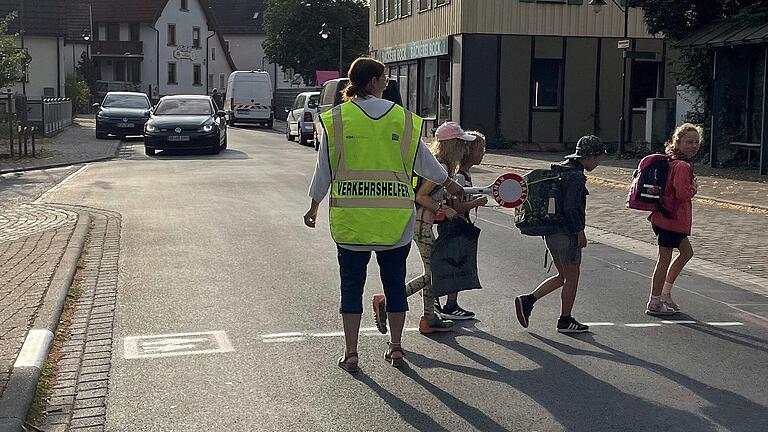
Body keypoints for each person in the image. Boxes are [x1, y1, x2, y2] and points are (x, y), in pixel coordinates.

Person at [304, 57, 464, 371]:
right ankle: (396, 348)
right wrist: (450, 183)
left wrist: (314, 204)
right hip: (395, 222)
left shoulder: (338, 119)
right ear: (374, 81)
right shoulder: (402, 119)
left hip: (352, 223)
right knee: (394, 284)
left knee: (351, 286)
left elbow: (324, 167)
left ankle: (351, 353)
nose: (387, 82)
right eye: (385, 78)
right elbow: (424, 163)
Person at [514, 135, 606, 333]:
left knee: (562, 275)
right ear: (589, 157)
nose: (598, 163)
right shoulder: (576, 176)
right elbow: (571, 208)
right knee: (572, 277)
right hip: (566, 233)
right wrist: (580, 232)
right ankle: (565, 320)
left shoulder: (560, 170)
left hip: (550, 231)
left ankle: (528, 301)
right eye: (597, 159)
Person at [646, 123, 701, 316]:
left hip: (666, 218)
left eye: (696, 142)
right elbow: (682, 193)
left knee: (686, 253)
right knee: (664, 259)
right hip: (670, 219)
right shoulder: (682, 165)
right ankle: (655, 301)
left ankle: (664, 294)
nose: (693, 146)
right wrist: (693, 187)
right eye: (688, 142)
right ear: (677, 142)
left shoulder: (672, 161)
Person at [433, 127, 488, 321]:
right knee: (454, 264)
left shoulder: (459, 173)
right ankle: (448, 304)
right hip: (454, 224)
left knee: (452, 263)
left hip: (454, 223)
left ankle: (440, 303)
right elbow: (456, 207)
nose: (482, 154)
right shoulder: (458, 176)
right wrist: (477, 202)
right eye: (480, 149)